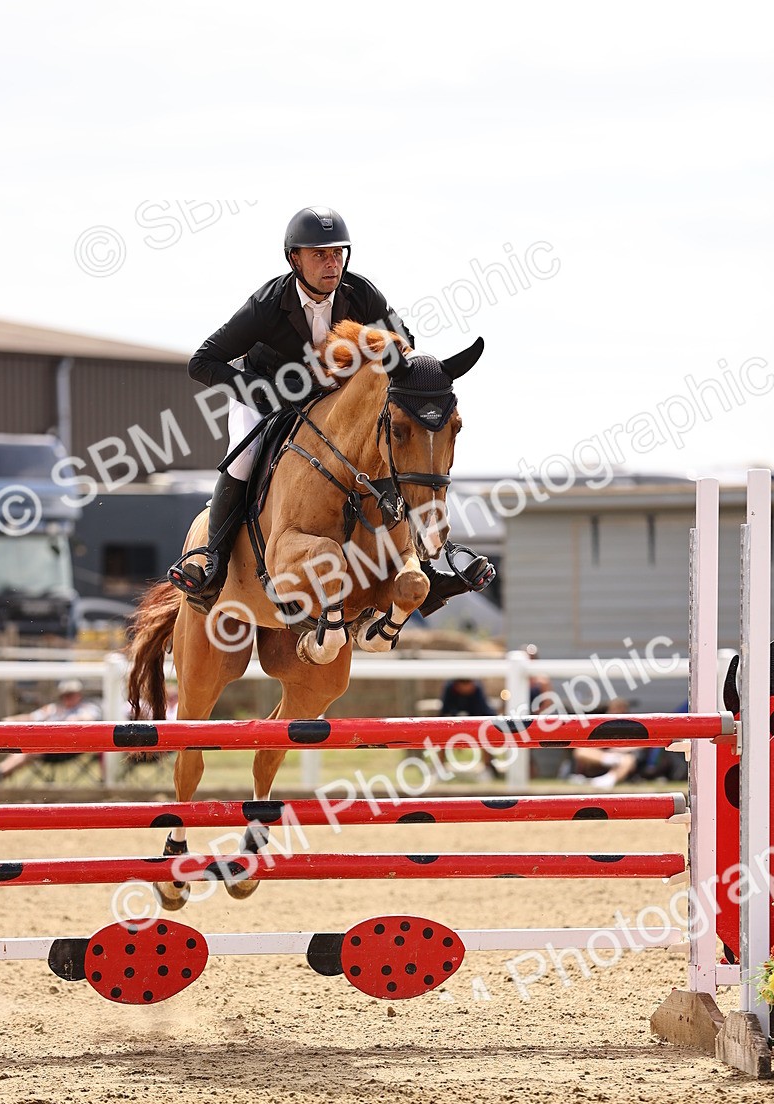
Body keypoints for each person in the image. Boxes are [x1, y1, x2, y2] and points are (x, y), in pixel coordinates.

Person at [167, 205, 495, 615]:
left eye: (337, 253)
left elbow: (403, 346)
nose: (331, 263)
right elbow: (203, 361)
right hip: (268, 399)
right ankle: (211, 560)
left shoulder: (362, 293)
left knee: (385, 451)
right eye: (319, 254)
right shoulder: (267, 304)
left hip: (334, 403)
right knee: (245, 459)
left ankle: (426, 561)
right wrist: (262, 391)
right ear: (295, 259)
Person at [0, 678, 102, 782]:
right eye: (65, 695)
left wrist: (68, 721)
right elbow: (31, 717)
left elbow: (85, 719)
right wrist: (6, 721)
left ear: (79, 695)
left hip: (69, 748)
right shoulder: (53, 709)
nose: (68, 698)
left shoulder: (87, 708)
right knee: (15, 739)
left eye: (71, 694)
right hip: (45, 744)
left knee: (28, 750)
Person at [565, 697, 639, 790]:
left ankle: (608, 781)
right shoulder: (601, 723)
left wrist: (619, 749)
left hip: (622, 756)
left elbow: (641, 745)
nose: (616, 712)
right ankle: (611, 761)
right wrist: (608, 753)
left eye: (620, 709)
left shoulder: (633, 725)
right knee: (581, 751)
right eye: (614, 709)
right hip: (603, 757)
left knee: (629, 760)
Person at [438, 677, 505, 780]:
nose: (471, 687)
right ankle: (439, 769)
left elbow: (484, 712)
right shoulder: (449, 688)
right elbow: (444, 712)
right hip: (453, 723)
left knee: (486, 734)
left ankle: (487, 768)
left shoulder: (477, 688)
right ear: (459, 685)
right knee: (441, 736)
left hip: (476, 723)